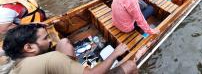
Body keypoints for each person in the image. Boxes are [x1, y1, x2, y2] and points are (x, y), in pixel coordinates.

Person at [3, 24, 138, 74]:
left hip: (60, 64)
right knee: (131, 65)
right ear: (29, 47)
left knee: (63, 43)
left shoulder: (15, 66)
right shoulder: (52, 58)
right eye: (45, 38)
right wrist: (115, 53)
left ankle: (73, 67)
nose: (50, 41)